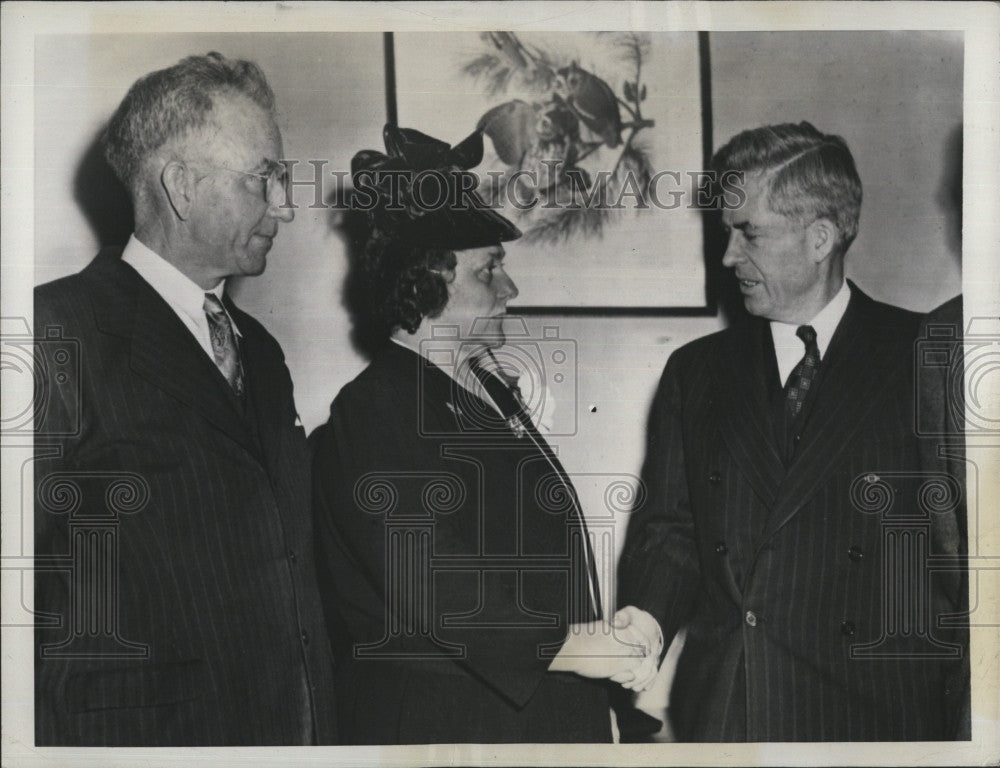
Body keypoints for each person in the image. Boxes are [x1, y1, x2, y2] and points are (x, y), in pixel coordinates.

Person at [618, 121, 968, 741]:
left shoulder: (926, 356)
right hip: (735, 710)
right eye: (726, 232)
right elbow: (670, 533)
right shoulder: (695, 372)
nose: (727, 255)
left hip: (881, 718)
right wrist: (643, 624)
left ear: (820, 237)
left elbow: (963, 562)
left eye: (749, 232)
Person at [311, 124, 658, 744]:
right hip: (445, 734)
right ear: (426, 280)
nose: (511, 289)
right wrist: (582, 647)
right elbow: (440, 584)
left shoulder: (484, 391)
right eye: (490, 270)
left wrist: (597, 665)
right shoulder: (371, 413)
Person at [33, 52, 337, 746]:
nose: (285, 206)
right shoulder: (54, 333)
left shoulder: (259, 351)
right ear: (181, 185)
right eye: (265, 179)